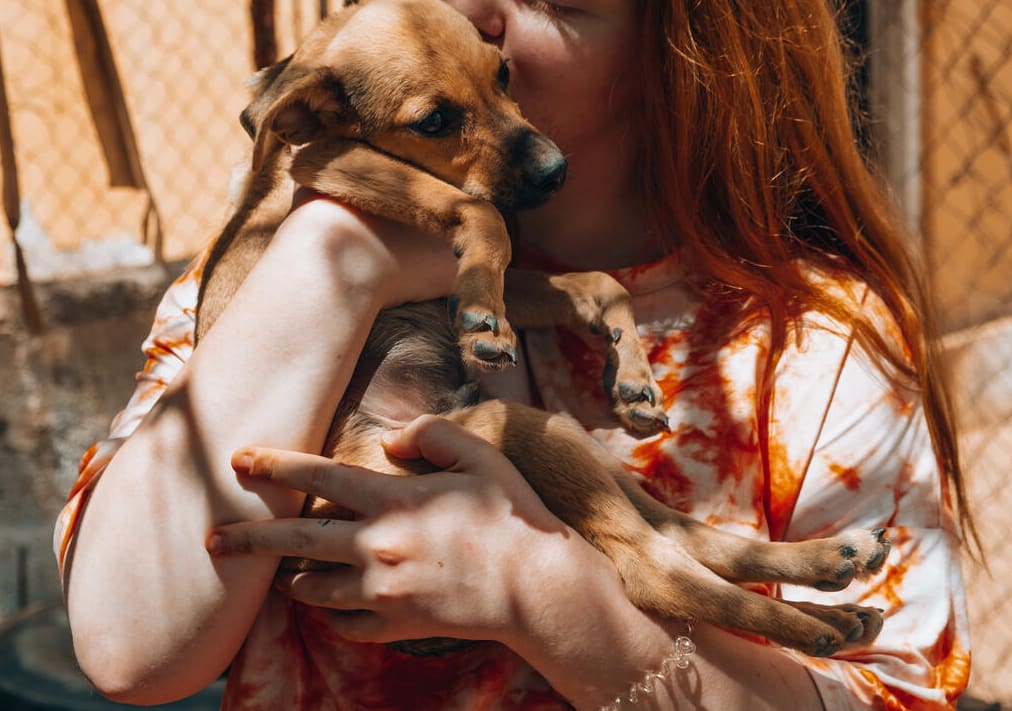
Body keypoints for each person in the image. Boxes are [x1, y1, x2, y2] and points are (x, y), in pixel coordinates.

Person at [55, 1, 973, 709]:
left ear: (682, 47)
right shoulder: (271, 272)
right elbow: (131, 643)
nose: (473, 9)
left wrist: (544, 592)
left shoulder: (809, 346)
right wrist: (336, 258)